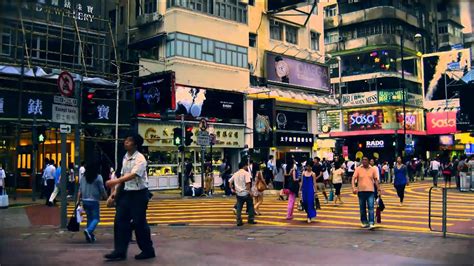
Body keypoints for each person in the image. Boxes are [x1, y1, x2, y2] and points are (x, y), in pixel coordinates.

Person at [105, 133, 155, 261]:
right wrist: (115, 194)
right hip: (126, 193)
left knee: (139, 223)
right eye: (126, 140)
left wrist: (114, 182)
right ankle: (120, 251)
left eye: (129, 140)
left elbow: (133, 175)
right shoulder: (125, 157)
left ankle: (147, 250)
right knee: (120, 221)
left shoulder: (140, 159)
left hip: (139, 194)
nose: (126, 142)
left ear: (135, 144)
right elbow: (123, 177)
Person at [77, 163, 107, 243]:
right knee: (96, 218)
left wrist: (78, 200)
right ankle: (88, 230)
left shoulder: (83, 177)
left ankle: (90, 236)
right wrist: (105, 196)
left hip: (85, 200)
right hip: (94, 200)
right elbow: (102, 188)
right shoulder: (98, 177)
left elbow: (80, 190)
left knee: (89, 218)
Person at [352, 157, 381, 230]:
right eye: (363, 160)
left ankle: (371, 222)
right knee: (362, 208)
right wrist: (353, 188)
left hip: (370, 191)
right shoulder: (358, 169)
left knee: (371, 207)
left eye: (366, 160)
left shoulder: (372, 169)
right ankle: (364, 222)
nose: (364, 161)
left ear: (368, 161)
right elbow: (353, 178)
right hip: (361, 191)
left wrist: (378, 189)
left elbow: (376, 180)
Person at [229, 161, 257, 226]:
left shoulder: (235, 173)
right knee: (250, 206)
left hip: (238, 193)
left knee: (239, 207)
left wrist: (232, 189)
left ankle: (239, 221)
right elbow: (248, 184)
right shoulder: (246, 173)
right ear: (244, 166)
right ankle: (250, 219)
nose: (247, 167)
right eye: (247, 166)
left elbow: (230, 182)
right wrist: (250, 192)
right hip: (246, 192)